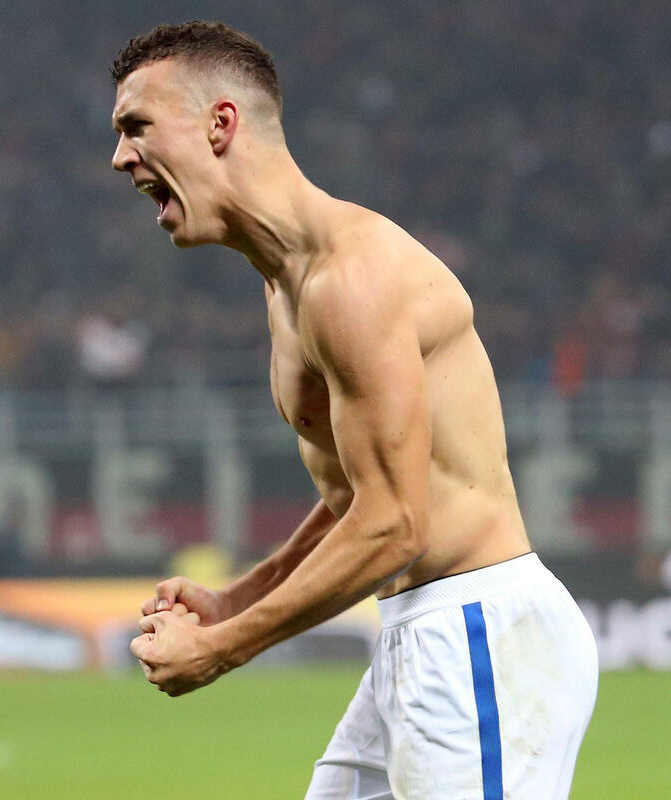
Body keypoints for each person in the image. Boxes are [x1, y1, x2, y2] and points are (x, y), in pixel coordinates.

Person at [111, 22, 597, 799]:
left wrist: (223, 648)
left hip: (477, 637)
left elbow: (397, 523)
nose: (120, 157)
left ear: (220, 124)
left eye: (137, 126)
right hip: (425, 632)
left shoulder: (351, 281)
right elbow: (359, 490)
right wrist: (237, 597)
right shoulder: (287, 286)